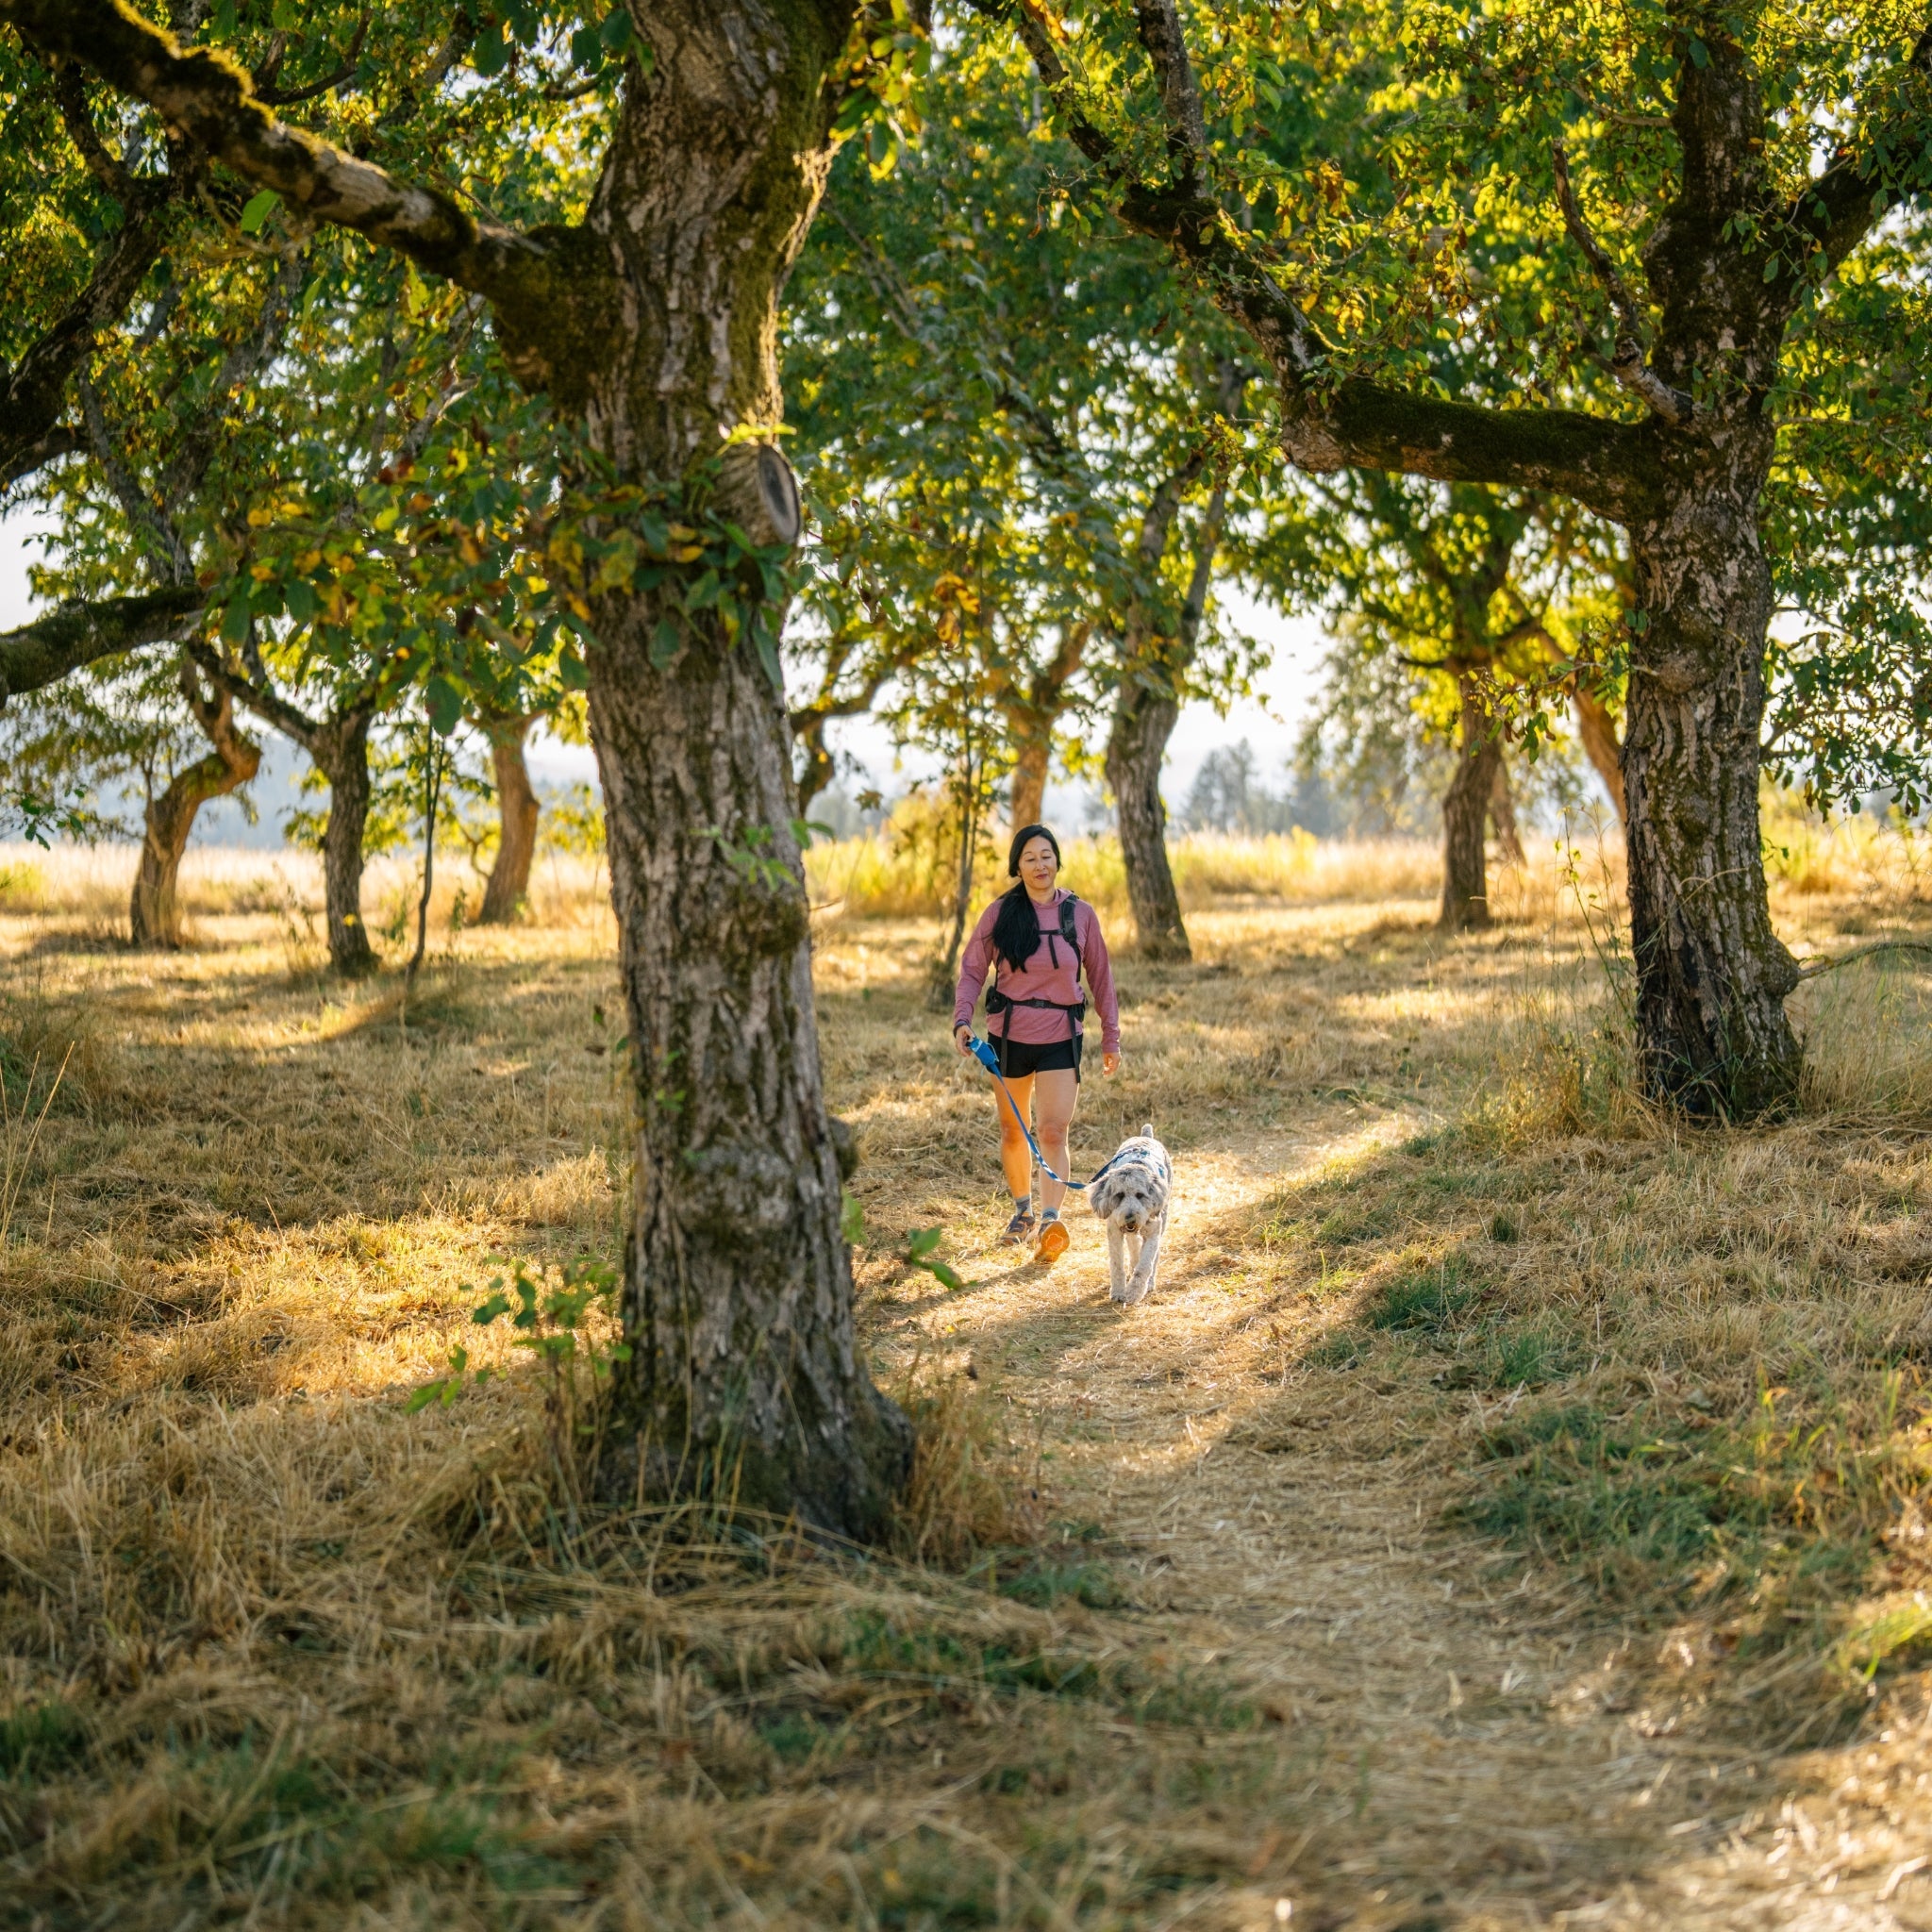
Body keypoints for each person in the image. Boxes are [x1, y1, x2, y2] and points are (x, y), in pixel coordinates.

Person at [953, 823, 1120, 1262]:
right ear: (1018, 866)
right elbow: (972, 971)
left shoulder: (1080, 915)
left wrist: (1111, 1037)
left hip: (1061, 1036)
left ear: (1057, 860)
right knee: (1013, 1129)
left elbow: (1101, 978)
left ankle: (1050, 1220)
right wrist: (962, 1020)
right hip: (1008, 1037)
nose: (1040, 864)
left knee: (1052, 1130)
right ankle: (1023, 1212)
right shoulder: (999, 914)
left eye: (1046, 855)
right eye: (1030, 858)